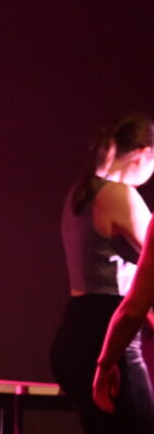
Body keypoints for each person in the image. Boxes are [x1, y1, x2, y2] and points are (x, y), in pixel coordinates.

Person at [61, 114, 154, 431]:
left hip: (74, 331)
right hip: (107, 337)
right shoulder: (120, 195)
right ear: (143, 154)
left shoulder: (81, 192)